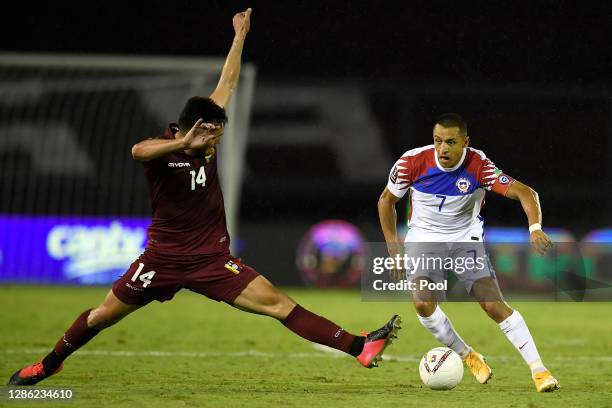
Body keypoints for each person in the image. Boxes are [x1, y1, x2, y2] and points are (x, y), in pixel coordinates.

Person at [8, 8, 401, 387]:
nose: (217, 139)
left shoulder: (208, 134)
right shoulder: (165, 150)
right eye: (212, 133)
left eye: (217, 132)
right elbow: (136, 151)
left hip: (213, 261)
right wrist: (182, 142)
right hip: (161, 260)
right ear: (192, 128)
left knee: (279, 305)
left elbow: (227, 83)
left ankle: (359, 347)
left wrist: (239, 36)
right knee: (100, 317)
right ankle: (48, 365)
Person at [377, 113, 559, 392]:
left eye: (450, 142)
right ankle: (468, 355)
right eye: (438, 141)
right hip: (424, 238)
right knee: (423, 303)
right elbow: (385, 201)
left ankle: (540, 371)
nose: (443, 149)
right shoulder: (411, 162)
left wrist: (534, 228)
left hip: (465, 238)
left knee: (493, 306)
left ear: (465, 141)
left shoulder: (479, 165)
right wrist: (393, 247)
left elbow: (526, 192)